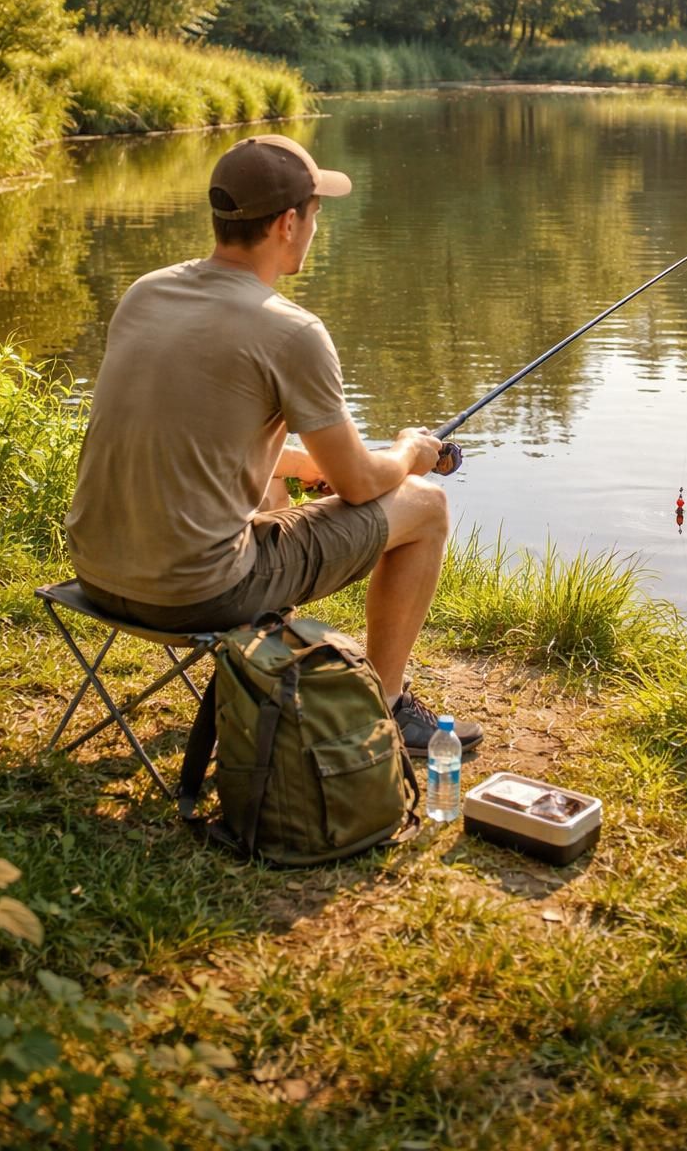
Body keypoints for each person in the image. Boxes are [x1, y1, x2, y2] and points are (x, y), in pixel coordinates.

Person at [65, 133, 482, 756]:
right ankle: (387, 706)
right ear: (289, 222)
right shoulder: (291, 331)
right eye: (315, 214)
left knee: (277, 479)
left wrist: (307, 463)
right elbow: (363, 486)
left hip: (97, 570)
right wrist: (410, 452)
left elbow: (194, 439)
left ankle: (262, 678)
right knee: (424, 506)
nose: (316, 226)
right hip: (193, 595)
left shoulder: (147, 292)